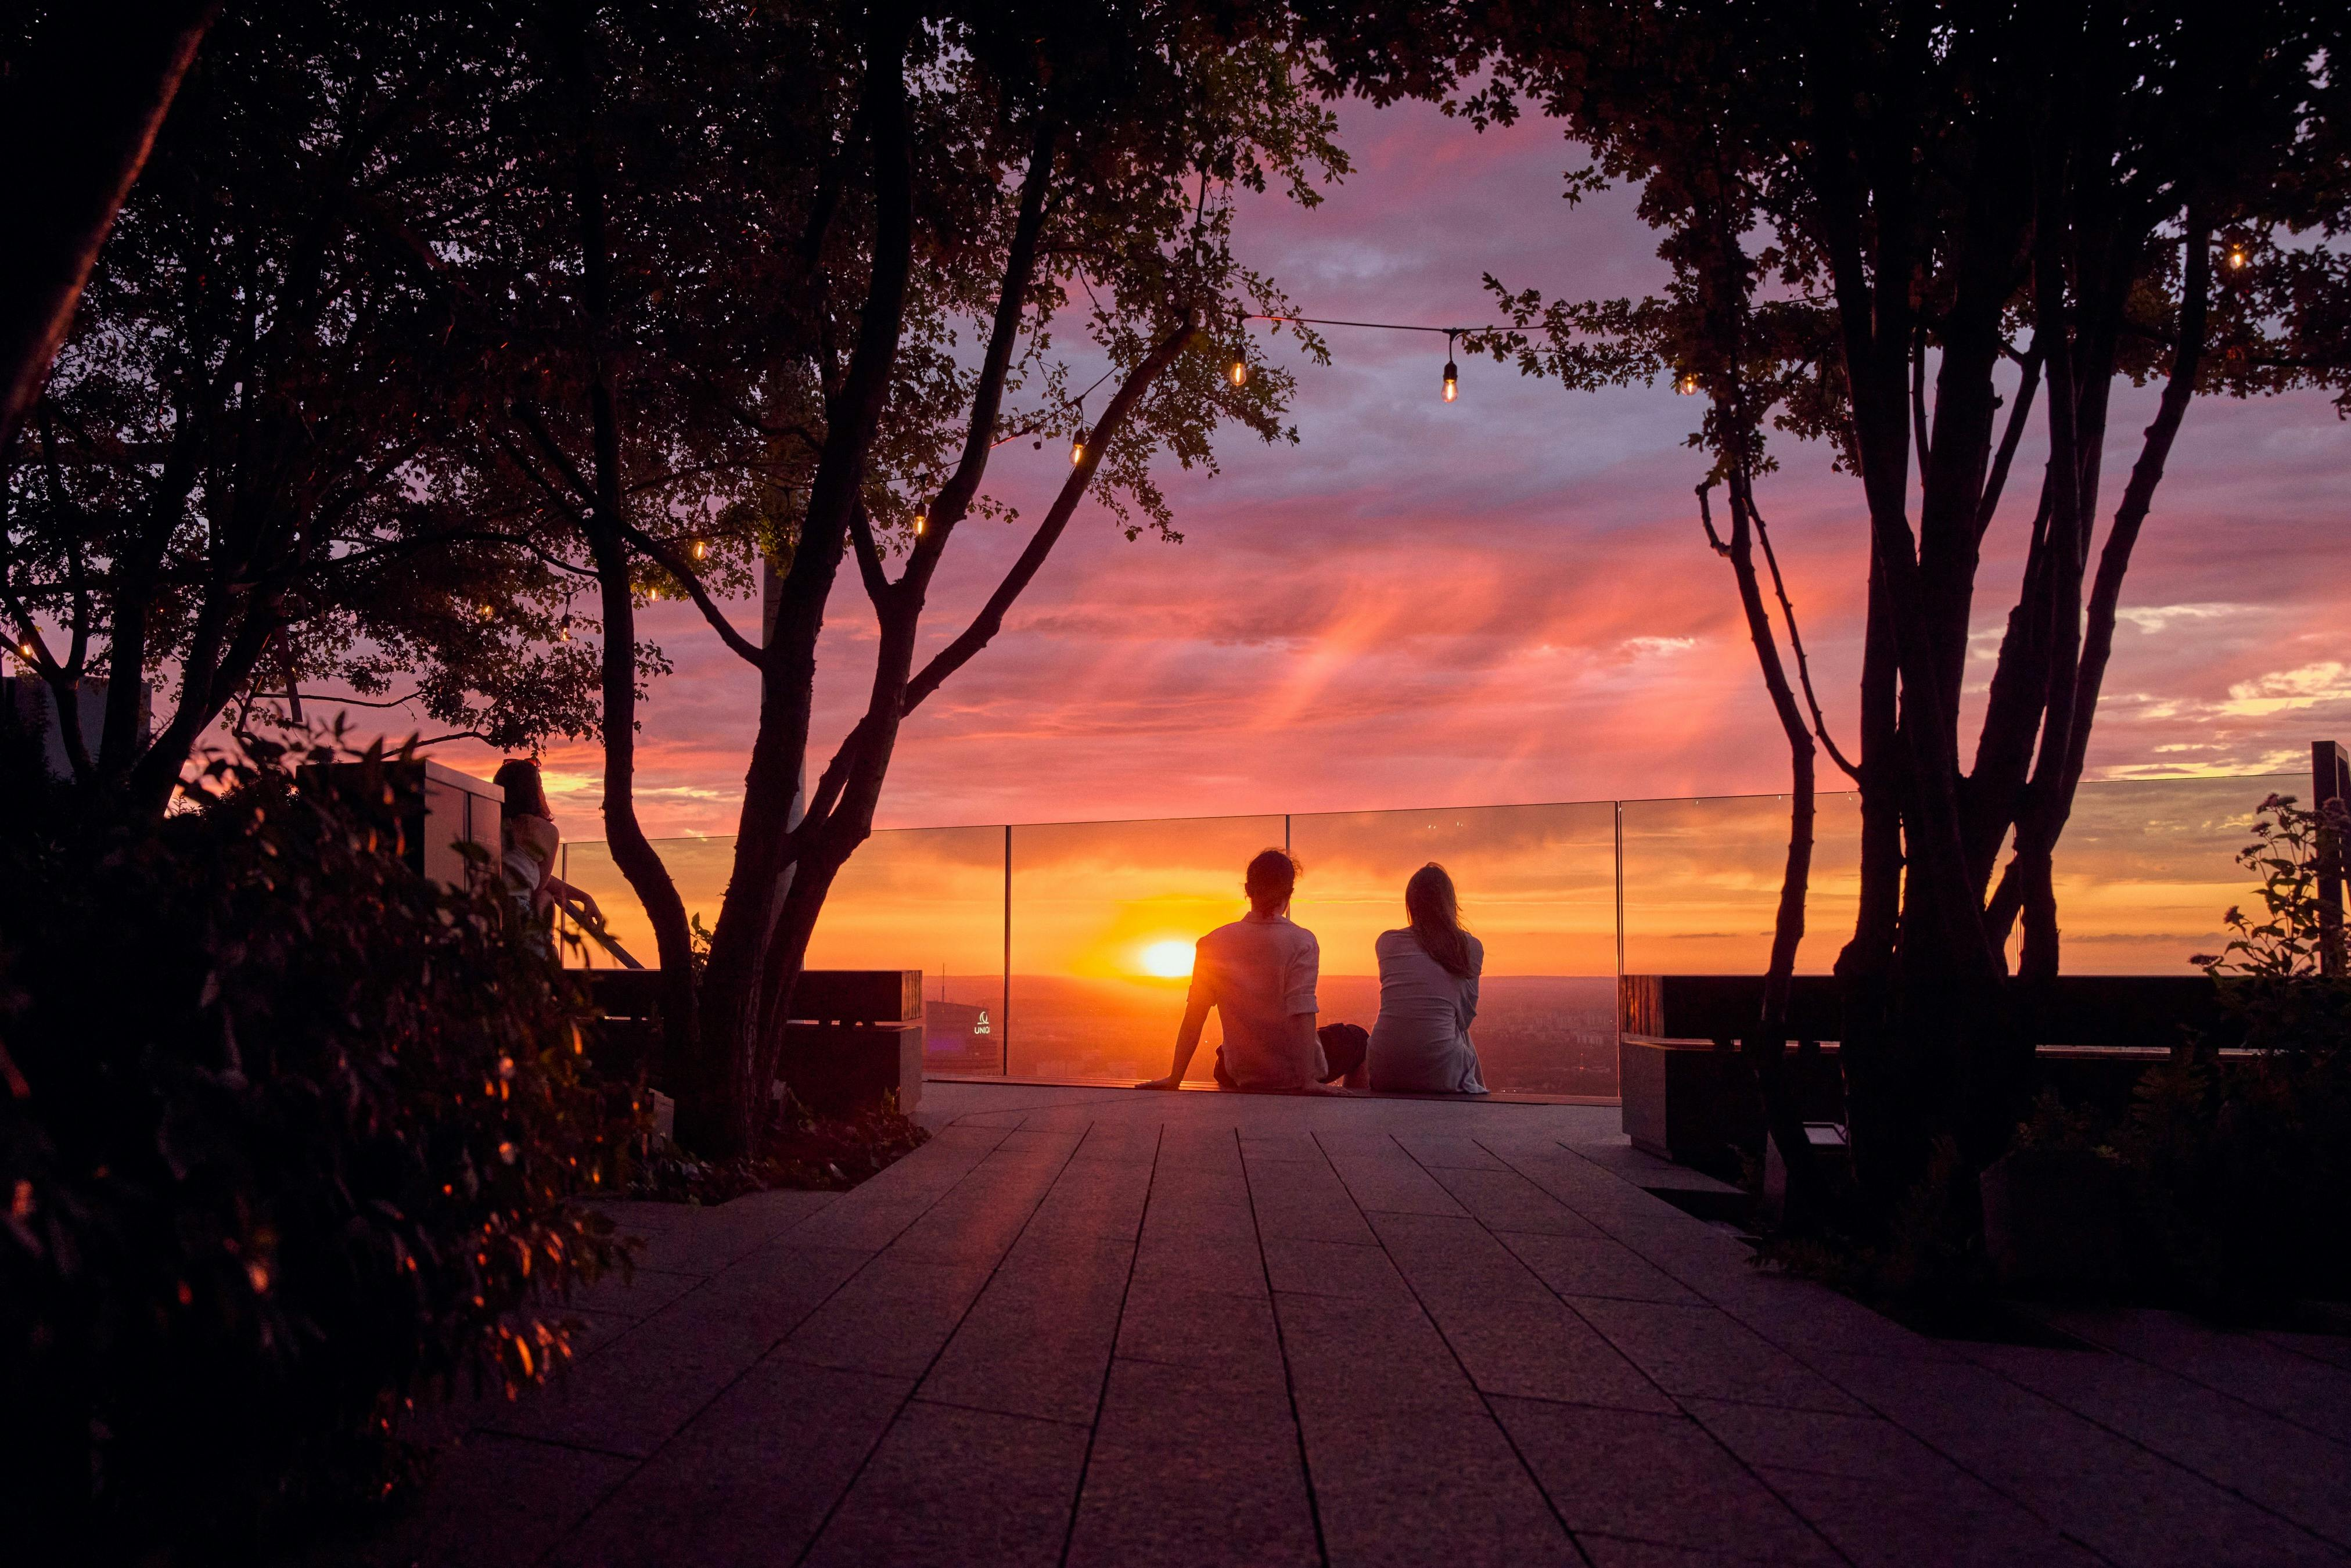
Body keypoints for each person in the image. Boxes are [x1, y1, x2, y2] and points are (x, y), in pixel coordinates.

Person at [1137, 848, 1367, 1092]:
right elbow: (1302, 1012)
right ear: (1290, 892)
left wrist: (1175, 1078)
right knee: (1359, 1039)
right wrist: (1306, 1082)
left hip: (1239, 1072)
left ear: (1248, 890)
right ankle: (1355, 1108)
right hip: (1292, 1072)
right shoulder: (1302, 941)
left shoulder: (1212, 943)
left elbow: (1195, 1016)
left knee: (1223, 1054)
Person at [1366, 862, 1489, 1095]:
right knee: (1459, 1032)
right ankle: (1480, 1102)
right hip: (1440, 1073)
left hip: (1384, 1068)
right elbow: (1464, 1020)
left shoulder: (1387, 942)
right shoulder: (1469, 947)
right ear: (1450, 903)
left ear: (1411, 903)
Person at [493, 758, 602, 931]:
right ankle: (544, 943)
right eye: (541, 786)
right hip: (514, 914)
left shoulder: (485, 822)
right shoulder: (545, 831)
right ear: (535, 792)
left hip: (484, 908)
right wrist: (584, 897)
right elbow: (539, 885)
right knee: (544, 897)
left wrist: (583, 896)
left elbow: (522, 871)